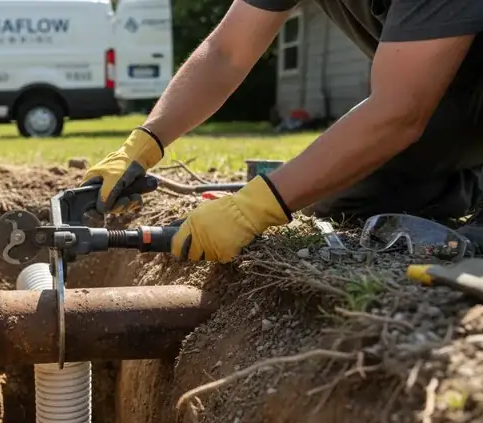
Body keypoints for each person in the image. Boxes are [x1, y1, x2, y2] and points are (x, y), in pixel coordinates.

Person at [81, 0, 483, 262]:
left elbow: (399, 111)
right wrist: (145, 141)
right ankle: (464, 185)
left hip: (434, 100)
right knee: (343, 200)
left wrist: (254, 207)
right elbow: (227, 53)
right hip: (453, 97)